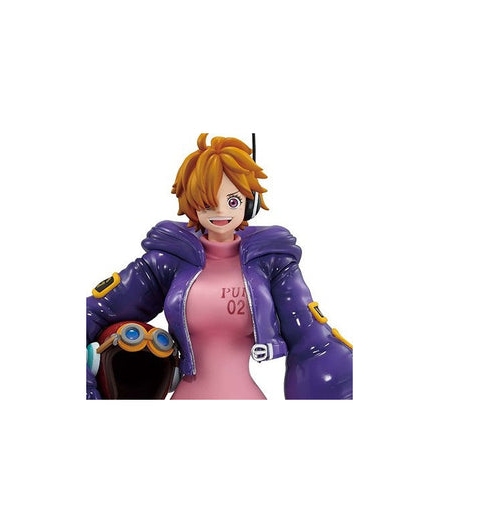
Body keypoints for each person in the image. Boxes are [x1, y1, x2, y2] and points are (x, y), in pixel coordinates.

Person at [86, 134, 352, 399]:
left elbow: (312, 341)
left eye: (233, 201)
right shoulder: (167, 260)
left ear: (250, 202)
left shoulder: (272, 263)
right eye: (207, 202)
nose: (220, 211)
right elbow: (93, 313)